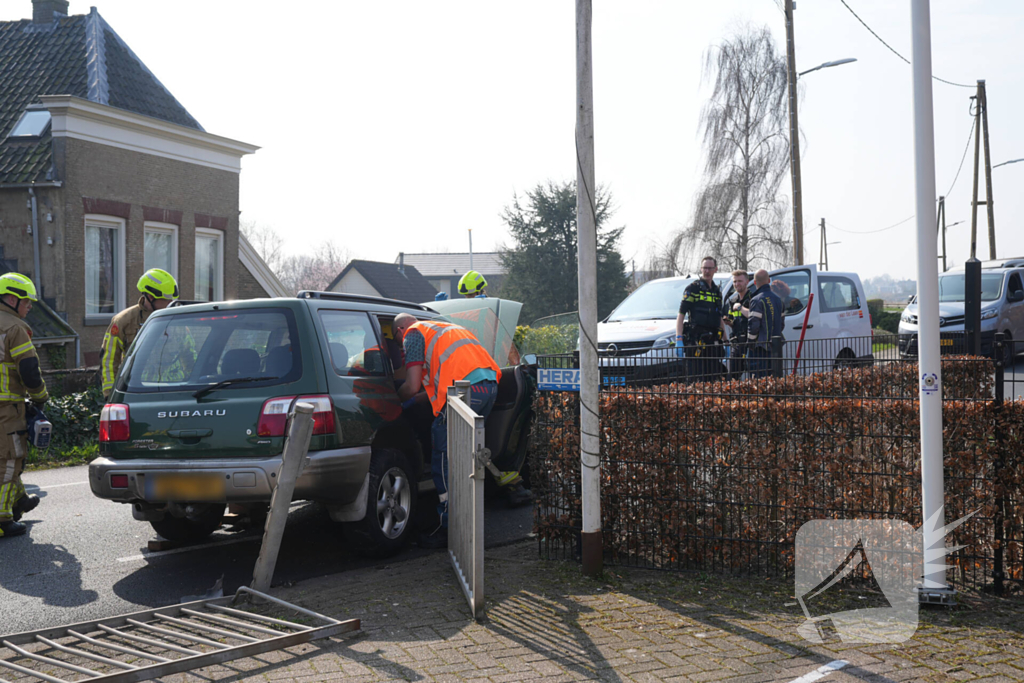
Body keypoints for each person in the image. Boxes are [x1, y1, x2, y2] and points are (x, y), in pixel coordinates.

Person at [393, 312, 504, 549]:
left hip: (464, 392)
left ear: (400, 331)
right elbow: (434, 387)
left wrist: (396, 399)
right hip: (488, 387)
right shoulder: (444, 328)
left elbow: (411, 386)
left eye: (396, 339)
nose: (401, 348)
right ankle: (468, 523)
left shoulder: (413, 334)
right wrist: (415, 402)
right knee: (464, 457)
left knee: (443, 458)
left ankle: (448, 530)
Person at [0, 273, 48, 539]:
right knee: (10, 459)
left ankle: (18, 500)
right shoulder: (15, 328)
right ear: (11, 298)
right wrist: (40, 396)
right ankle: (3, 519)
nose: (30, 306)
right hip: (6, 409)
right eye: (27, 301)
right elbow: (29, 370)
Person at [100, 268, 178, 399]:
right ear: (151, 297)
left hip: (175, 392)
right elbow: (108, 360)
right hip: (138, 393)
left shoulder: (176, 318)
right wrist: (111, 395)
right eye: (166, 300)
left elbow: (189, 354)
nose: (171, 304)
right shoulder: (123, 321)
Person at [675, 256, 725, 377]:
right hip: (696, 342)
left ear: (715, 269)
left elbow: (719, 318)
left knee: (714, 380)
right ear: (701, 269)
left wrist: (726, 340)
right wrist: (679, 339)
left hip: (713, 343)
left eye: (710, 268)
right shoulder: (693, 289)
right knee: (695, 379)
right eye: (704, 268)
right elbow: (681, 314)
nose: (707, 271)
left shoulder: (717, 291)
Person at [746, 269, 784, 377]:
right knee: (774, 378)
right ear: (769, 280)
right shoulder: (778, 300)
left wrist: (751, 343)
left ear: (754, 282)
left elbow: (753, 326)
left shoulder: (756, 300)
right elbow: (781, 324)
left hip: (760, 347)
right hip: (776, 346)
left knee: (759, 380)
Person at [722, 270, 753, 379]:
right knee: (732, 377)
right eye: (735, 281)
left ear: (747, 282)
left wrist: (740, 307)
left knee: (754, 377)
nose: (737, 284)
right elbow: (733, 321)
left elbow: (754, 316)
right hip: (736, 343)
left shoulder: (753, 298)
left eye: (740, 281)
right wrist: (728, 322)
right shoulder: (732, 300)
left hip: (750, 343)